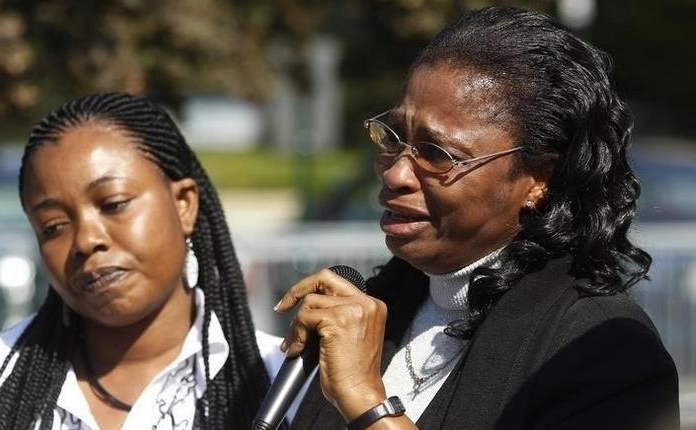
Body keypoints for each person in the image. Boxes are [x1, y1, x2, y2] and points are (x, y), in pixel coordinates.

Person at [275, 7, 680, 430]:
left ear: (538, 178)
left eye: (437, 154)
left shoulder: (604, 350)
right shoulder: (383, 305)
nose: (395, 172)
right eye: (392, 138)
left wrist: (367, 403)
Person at [0, 93, 286, 430]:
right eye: (53, 227)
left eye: (114, 205)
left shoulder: (281, 381)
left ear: (183, 204)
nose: (86, 240)